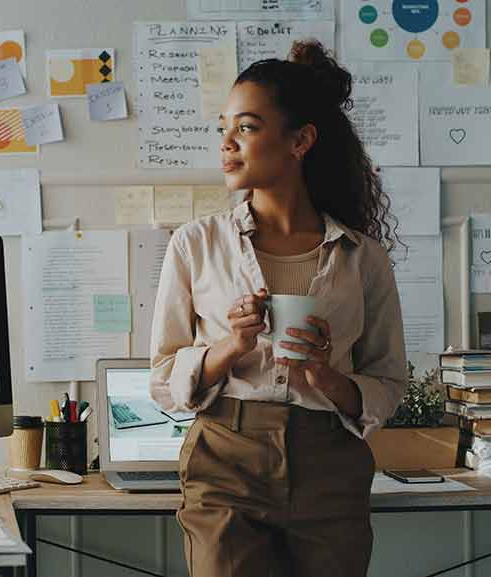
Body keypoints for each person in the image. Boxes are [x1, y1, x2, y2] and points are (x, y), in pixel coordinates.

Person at [150, 40, 407, 577]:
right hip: (225, 459)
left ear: (301, 141)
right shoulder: (195, 244)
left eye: (245, 127)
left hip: (330, 466)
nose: (226, 143)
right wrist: (232, 346)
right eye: (223, 128)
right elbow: (164, 377)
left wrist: (324, 375)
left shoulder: (363, 258)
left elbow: (388, 383)